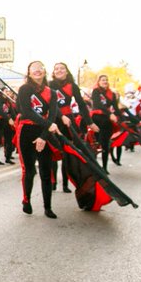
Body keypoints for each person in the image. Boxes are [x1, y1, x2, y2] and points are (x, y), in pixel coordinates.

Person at [15, 61, 60, 218]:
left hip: (43, 132)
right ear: (28, 72)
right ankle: (26, 200)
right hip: (27, 131)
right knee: (29, 170)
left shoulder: (52, 93)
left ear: (44, 71)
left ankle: (48, 207)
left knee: (46, 172)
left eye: (40, 68)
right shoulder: (24, 89)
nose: (37, 70)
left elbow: (53, 114)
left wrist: (43, 137)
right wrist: (49, 125)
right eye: (33, 68)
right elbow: (26, 111)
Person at [48, 62, 89, 194]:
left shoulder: (73, 86)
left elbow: (81, 105)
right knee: (53, 151)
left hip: (67, 121)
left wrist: (90, 122)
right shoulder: (49, 85)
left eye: (62, 68)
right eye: (56, 68)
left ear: (67, 71)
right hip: (53, 119)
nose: (59, 70)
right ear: (53, 72)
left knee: (67, 153)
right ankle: (52, 182)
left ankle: (65, 183)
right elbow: (50, 104)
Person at [88, 74, 120, 169]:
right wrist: (110, 114)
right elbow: (98, 105)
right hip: (97, 118)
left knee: (105, 144)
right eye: (102, 80)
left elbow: (116, 109)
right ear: (99, 82)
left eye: (106, 80)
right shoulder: (96, 91)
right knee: (95, 143)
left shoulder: (112, 94)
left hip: (106, 120)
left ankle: (104, 167)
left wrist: (122, 118)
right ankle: (94, 165)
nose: (105, 81)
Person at [0, 87, 17, 165]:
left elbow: (12, 112)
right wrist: (9, 118)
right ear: (2, 92)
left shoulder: (8, 101)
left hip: (7, 122)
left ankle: (8, 158)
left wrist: (15, 119)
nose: (8, 93)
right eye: (6, 91)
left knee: (9, 140)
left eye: (8, 91)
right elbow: (0, 111)